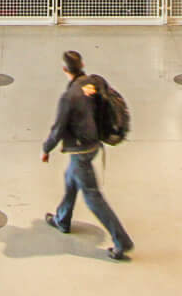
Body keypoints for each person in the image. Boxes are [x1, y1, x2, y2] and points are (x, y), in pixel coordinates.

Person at [41, 51, 132, 261]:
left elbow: (57, 129)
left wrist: (46, 149)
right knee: (70, 179)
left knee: (92, 197)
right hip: (94, 144)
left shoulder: (69, 97)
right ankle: (62, 219)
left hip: (80, 150)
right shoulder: (92, 83)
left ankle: (122, 242)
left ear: (65, 70)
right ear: (81, 64)